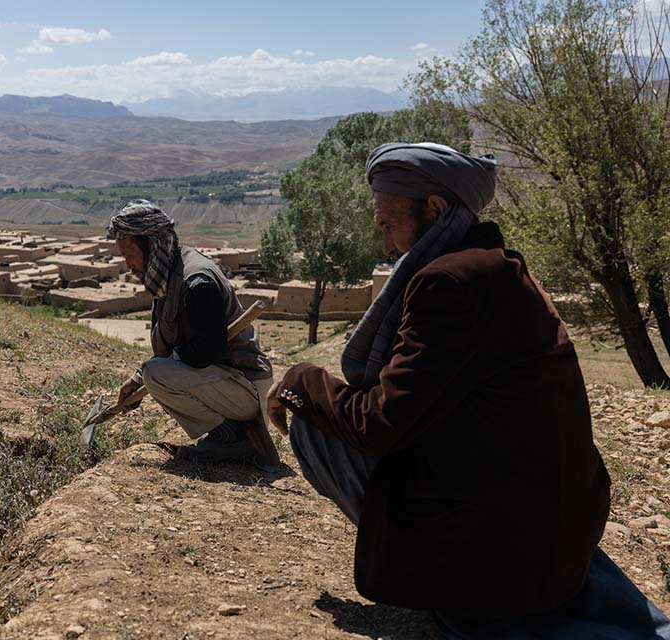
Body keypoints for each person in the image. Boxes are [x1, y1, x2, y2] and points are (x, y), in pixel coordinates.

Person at [267, 142, 670, 638]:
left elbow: (379, 425)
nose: (388, 247)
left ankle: (455, 591)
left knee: (317, 424)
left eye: (390, 225)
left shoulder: (449, 283)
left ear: (435, 209)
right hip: (561, 522)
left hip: (502, 538)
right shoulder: (500, 265)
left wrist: (299, 382)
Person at [108, 199, 279, 471]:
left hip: (247, 387)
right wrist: (137, 379)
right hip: (223, 383)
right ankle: (229, 434)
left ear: (151, 245)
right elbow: (175, 347)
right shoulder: (167, 276)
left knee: (157, 373)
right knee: (153, 373)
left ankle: (235, 439)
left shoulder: (197, 282)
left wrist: (152, 375)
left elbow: (202, 354)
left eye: (130, 255)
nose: (128, 265)